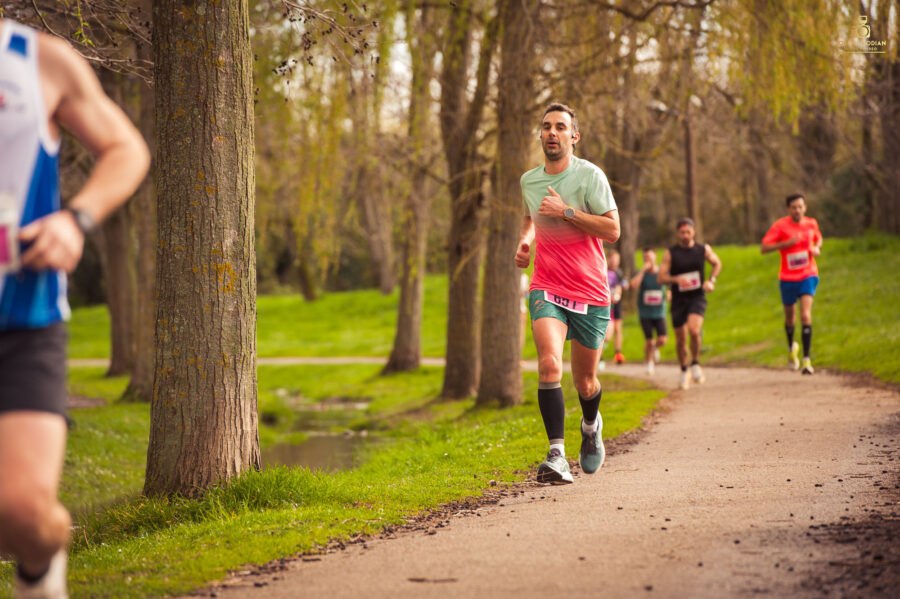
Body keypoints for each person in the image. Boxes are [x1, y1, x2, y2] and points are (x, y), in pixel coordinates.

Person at [0, 19, 150, 598]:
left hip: (24, 319)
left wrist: (76, 219)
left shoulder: (40, 59)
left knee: (22, 513)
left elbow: (127, 148)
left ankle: (41, 566)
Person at [515, 102, 619, 484]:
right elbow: (530, 215)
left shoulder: (590, 176)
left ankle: (591, 427)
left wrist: (567, 213)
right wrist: (525, 242)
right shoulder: (530, 180)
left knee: (585, 383)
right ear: (541, 135)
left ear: (574, 136)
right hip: (547, 285)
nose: (552, 133)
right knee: (548, 365)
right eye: (546, 126)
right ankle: (556, 454)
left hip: (590, 290)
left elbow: (612, 231)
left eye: (560, 127)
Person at [760, 193, 823, 375]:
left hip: (808, 274)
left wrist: (816, 247)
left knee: (805, 316)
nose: (797, 210)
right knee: (790, 319)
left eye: (800, 206)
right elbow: (764, 248)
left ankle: (806, 360)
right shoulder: (780, 226)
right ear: (788, 209)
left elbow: (818, 238)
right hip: (787, 278)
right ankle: (791, 349)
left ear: (805, 207)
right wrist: (785, 243)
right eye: (794, 207)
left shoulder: (811, 223)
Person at [657, 218, 722, 390]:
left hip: (697, 296)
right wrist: (676, 279)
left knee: (694, 330)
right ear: (678, 233)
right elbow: (660, 277)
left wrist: (711, 280)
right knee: (680, 339)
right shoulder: (670, 253)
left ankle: (695, 363)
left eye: (688, 232)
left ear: (694, 232)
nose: (685, 235)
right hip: (679, 299)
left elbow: (717, 263)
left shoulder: (703, 249)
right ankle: (684, 370)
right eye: (682, 232)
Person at [630, 247, 668, 375]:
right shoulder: (641, 273)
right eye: (645, 258)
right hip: (645, 312)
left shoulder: (662, 272)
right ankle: (649, 363)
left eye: (650, 258)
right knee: (649, 340)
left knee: (662, 339)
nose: (648, 261)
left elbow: (670, 285)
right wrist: (642, 271)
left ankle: (655, 349)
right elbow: (633, 285)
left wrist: (669, 293)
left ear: (655, 257)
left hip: (659, 312)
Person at [601, 249, 626, 366]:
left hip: (616, 305)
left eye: (617, 259)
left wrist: (618, 294)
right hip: (605, 305)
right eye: (613, 259)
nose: (614, 262)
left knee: (617, 329)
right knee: (606, 334)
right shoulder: (603, 271)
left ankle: (618, 353)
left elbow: (621, 286)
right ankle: (599, 355)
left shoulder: (619, 273)